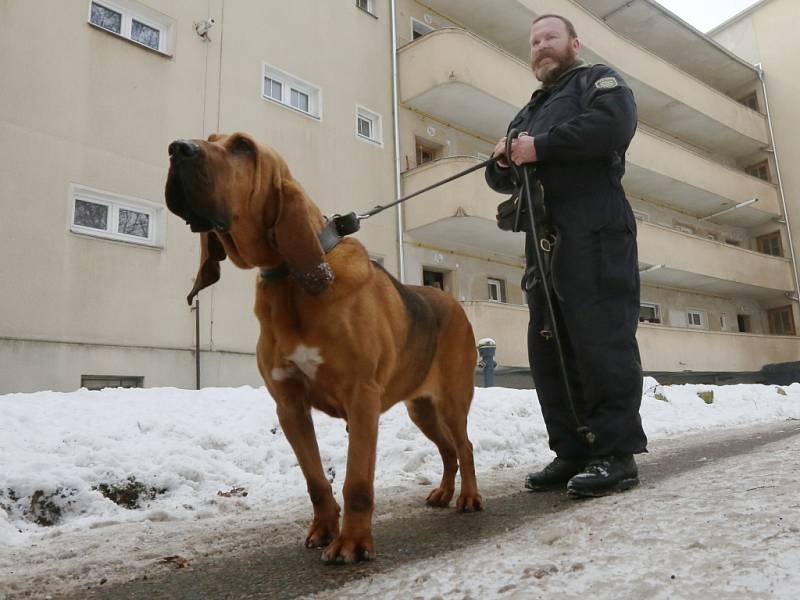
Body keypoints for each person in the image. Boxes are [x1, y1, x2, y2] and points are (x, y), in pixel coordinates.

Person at [485, 14, 647, 497]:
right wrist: (501, 160)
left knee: (600, 340)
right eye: (534, 41)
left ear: (573, 43)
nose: (541, 46)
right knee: (549, 346)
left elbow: (614, 125)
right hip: (542, 241)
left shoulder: (597, 81)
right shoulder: (529, 111)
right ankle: (573, 449)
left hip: (595, 229)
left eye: (550, 37)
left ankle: (616, 454)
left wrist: (540, 147)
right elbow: (501, 178)